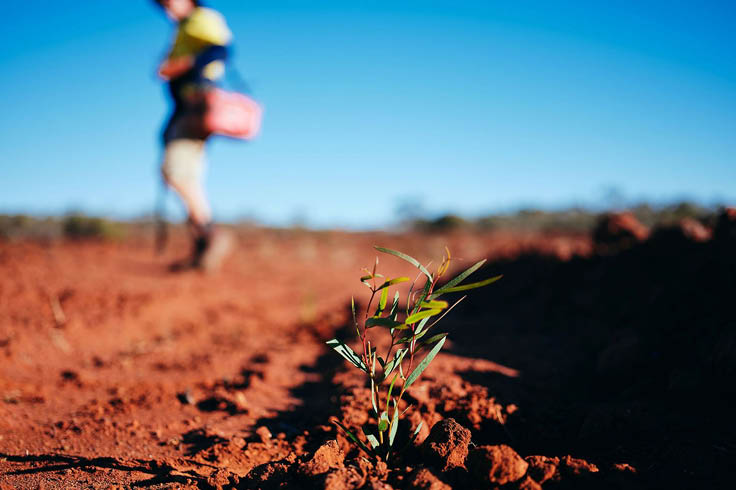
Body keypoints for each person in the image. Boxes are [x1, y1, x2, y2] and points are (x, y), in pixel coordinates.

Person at [154, 0, 233, 271]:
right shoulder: (185, 25)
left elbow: (220, 50)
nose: (166, 9)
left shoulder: (200, 18)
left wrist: (180, 66)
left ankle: (210, 237)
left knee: (176, 173)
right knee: (186, 176)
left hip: (196, 105)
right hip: (186, 108)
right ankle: (202, 247)